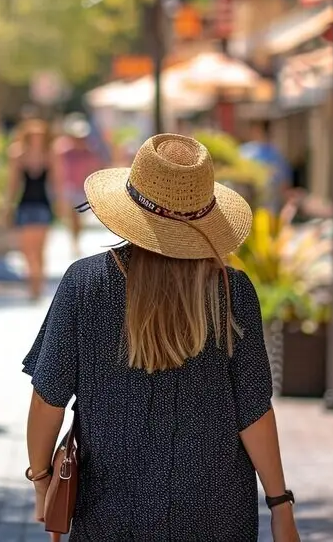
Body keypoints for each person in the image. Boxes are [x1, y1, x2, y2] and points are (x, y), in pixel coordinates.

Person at [23, 133, 299, 541]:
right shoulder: (231, 291)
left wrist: (43, 479)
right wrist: (280, 506)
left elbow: (48, 398)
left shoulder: (85, 285)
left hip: (110, 515)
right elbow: (253, 409)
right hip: (216, 513)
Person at [8, 119, 56, 301]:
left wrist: (61, 206)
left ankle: (38, 286)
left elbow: (56, 182)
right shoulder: (18, 154)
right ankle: (32, 283)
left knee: (40, 249)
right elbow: (12, 184)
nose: (37, 138)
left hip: (43, 205)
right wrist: (7, 206)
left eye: (40, 135)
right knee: (26, 250)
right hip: (25, 205)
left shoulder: (50, 155)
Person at [53, 114, 102, 256]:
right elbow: (58, 170)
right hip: (68, 187)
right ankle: (74, 243)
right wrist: (58, 189)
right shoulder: (62, 149)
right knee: (73, 216)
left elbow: (94, 168)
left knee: (78, 218)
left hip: (82, 187)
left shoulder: (89, 150)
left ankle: (75, 240)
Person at [240, 118, 292, 211]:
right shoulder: (247, 151)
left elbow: (284, 180)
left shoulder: (274, 152)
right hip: (253, 196)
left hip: (267, 198)